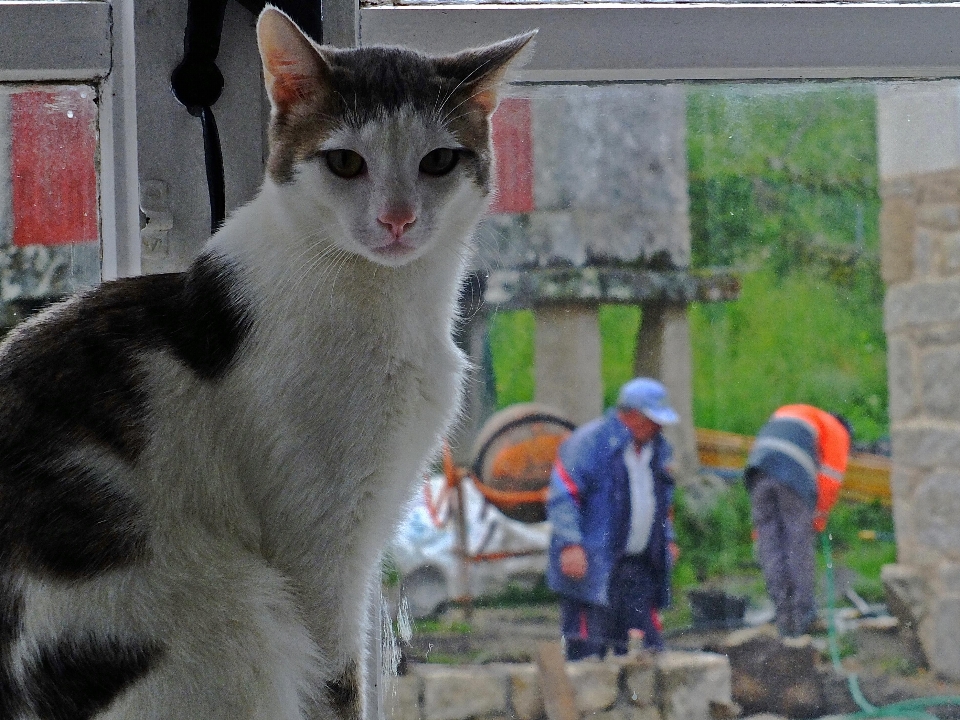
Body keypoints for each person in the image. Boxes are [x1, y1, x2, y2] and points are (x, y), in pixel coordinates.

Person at [546, 377, 679, 660]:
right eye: (652, 420)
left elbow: (663, 501)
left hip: (639, 567)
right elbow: (563, 497)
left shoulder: (658, 451)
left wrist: (668, 538)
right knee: (588, 650)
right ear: (630, 414)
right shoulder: (588, 444)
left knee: (646, 650)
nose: (658, 428)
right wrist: (571, 544)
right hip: (596, 564)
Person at [744, 404, 852, 637]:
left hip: (758, 470)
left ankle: (783, 613)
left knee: (771, 545)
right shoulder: (837, 431)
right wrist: (819, 518)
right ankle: (803, 615)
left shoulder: (796, 412)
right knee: (797, 545)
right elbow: (830, 478)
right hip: (792, 474)